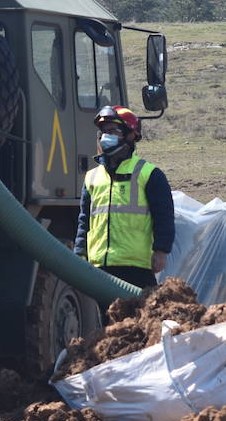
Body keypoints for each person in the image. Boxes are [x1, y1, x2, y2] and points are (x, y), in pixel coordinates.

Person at [73, 105, 175, 290]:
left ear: (130, 135)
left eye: (112, 131)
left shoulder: (149, 174)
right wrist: (79, 254)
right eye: (103, 131)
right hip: (98, 267)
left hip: (136, 268)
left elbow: (164, 217)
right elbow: (84, 221)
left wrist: (161, 252)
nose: (105, 136)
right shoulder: (92, 177)